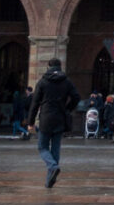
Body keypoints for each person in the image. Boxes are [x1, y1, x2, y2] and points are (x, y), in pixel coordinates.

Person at [26, 57, 80, 188]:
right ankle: (49, 180)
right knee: (55, 148)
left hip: (46, 118)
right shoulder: (66, 81)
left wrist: (30, 122)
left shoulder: (43, 82)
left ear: (48, 66)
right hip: (60, 118)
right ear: (60, 66)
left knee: (42, 146)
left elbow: (35, 103)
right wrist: (67, 109)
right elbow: (76, 97)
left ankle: (53, 167)